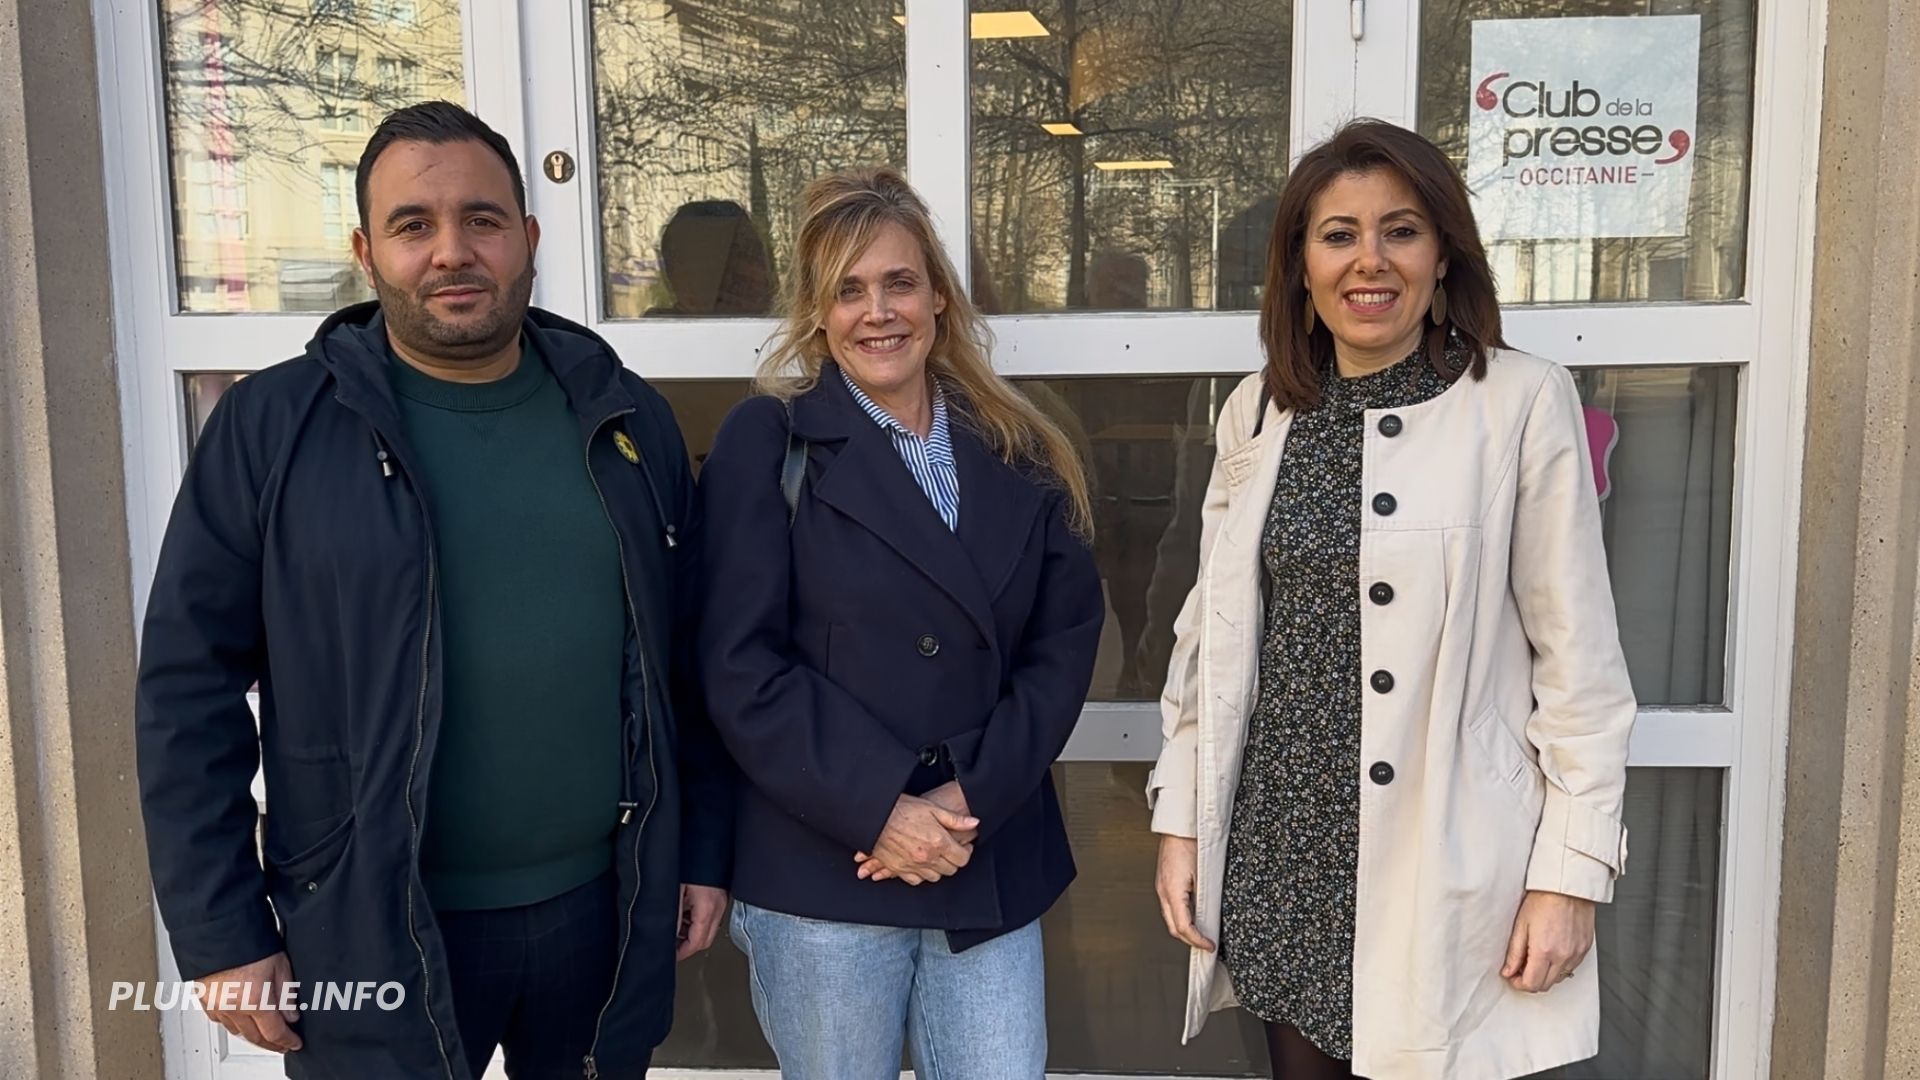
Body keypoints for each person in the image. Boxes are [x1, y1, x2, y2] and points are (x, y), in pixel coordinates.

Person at [134, 101, 732, 1080]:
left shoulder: (626, 418)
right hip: (370, 917)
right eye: (415, 225)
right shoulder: (271, 429)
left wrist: (701, 848)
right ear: (368, 251)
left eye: (483, 220)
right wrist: (220, 931)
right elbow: (185, 690)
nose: (453, 251)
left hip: (600, 910)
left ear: (528, 239)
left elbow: (686, 665)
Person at [1147, 119, 1635, 1080]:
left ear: (1443, 251)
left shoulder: (1521, 403)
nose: (1369, 262)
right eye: (1338, 235)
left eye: (1399, 231)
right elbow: (1212, 634)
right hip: (1285, 855)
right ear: (1299, 264)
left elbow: (1581, 671)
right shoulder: (1257, 408)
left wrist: (1570, 879)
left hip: (1448, 859)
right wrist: (1181, 823)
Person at [696, 166, 1103, 1079]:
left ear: (938, 300)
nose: (876, 312)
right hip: (825, 867)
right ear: (817, 313)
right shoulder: (769, 444)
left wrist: (968, 798)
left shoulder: (1022, 446)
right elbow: (738, 666)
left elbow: (1063, 648)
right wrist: (880, 804)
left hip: (981, 854)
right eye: (848, 290)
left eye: (898, 282)